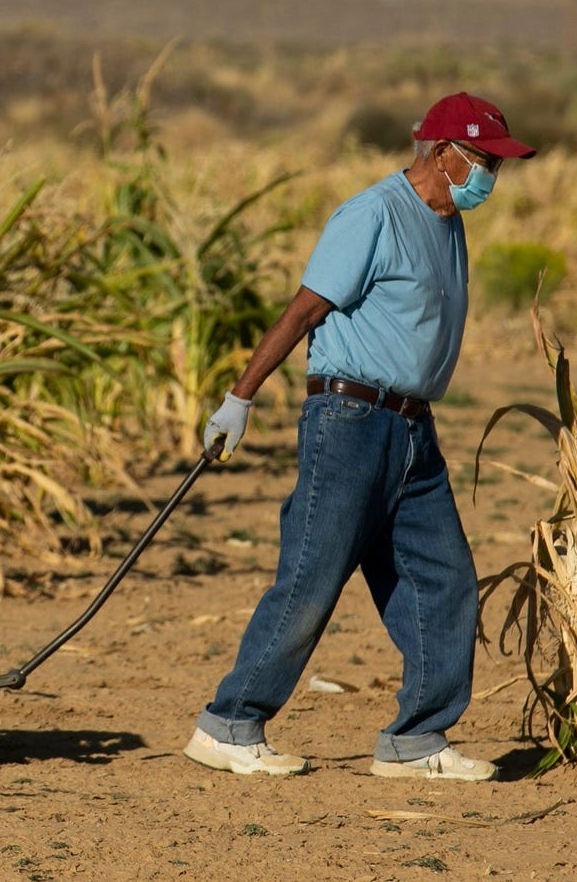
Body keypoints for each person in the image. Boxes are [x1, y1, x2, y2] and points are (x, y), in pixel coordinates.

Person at [183, 92, 535, 780]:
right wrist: (239, 398)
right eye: (484, 160)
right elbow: (305, 307)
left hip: (412, 431)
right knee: (313, 575)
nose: (491, 174)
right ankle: (229, 723)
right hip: (348, 423)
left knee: (446, 579)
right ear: (442, 153)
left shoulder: (447, 223)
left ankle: (416, 740)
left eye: (497, 162)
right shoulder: (373, 213)